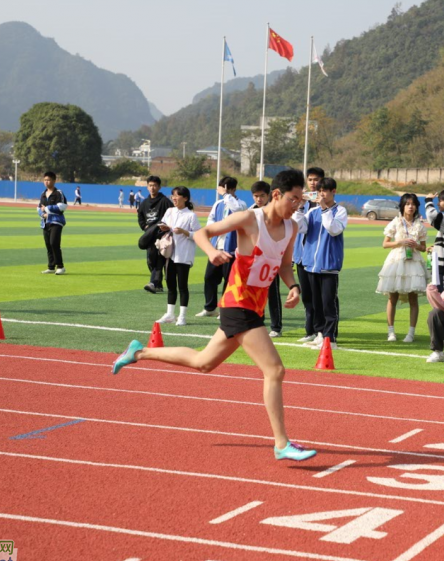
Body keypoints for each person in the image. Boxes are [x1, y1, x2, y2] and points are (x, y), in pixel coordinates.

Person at [112, 169, 316, 462]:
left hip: (254, 306)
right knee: (275, 370)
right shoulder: (250, 218)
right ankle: (281, 443)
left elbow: (285, 265)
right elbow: (201, 233)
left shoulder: (291, 227)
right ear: (276, 195)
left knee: (204, 362)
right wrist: (210, 252)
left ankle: (139, 353)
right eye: (294, 199)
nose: (297, 205)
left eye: (300, 200)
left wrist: (293, 286)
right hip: (237, 303)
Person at [298, 177, 348, 349]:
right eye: (319, 192)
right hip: (311, 263)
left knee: (328, 303)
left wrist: (325, 209)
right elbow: (300, 228)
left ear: (333, 191)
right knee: (316, 303)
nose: (321, 195)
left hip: (328, 264)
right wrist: (298, 208)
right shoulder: (312, 212)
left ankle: (330, 338)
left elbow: (334, 230)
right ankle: (320, 334)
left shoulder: (340, 211)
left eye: (325, 191)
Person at [377, 193, 428, 342]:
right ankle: (390, 332)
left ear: (416, 207)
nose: (410, 207)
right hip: (397, 260)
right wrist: (400, 242)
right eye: (407, 204)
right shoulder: (396, 222)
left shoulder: (420, 225)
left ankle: (411, 333)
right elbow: (385, 244)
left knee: (413, 298)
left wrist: (415, 245)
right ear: (403, 206)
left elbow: (424, 248)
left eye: (413, 204)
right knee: (392, 297)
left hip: (413, 261)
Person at [197, 176, 247, 318]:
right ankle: (209, 307)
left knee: (229, 280)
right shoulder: (218, 204)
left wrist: (226, 195)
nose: (221, 192)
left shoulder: (241, 204)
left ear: (232, 189)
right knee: (210, 277)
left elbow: (236, 210)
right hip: (217, 247)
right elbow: (211, 220)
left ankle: (225, 308)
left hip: (231, 248)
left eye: (225, 189)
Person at [156, 187, 201, 326]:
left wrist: (184, 232)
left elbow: (198, 235)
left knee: (182, 286)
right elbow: (163, 225)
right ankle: (170, 314)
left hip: (183, 254)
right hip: (169, 254)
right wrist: (163, 227)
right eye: (173, 196)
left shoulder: (191, 215)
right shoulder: (169, 211)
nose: (174, 198)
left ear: (185, 198)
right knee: (170, 285)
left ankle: (182, 316)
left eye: (177, 196)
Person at [292, 167, 325, 343]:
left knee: (319, 295)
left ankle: (321, 330)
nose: (313, 183)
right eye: (310, 179)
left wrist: (321, 202)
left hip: (317, 256)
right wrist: (299, 203)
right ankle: (310, 330)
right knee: (306, 295)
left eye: (316, 180)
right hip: (301, 254)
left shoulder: (325, 202)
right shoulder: (300, 199)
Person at [251, 180, 284, 338]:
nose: (259, 199)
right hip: (255, 259)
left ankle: (276, 327)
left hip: (271, 258)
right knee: (257, 293)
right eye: (256, 196)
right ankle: (259, 324)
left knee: (273, 293)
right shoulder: (250, 212)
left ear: (268, 195)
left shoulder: (274, 212)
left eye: (262, 196)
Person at [137, 176, 173, 294]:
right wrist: (145, 227)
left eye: (155, 186)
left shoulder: (165, 201)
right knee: (151, 261)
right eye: (150, 185)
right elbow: (140, 217)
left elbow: (173, 215)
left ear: (159, 187)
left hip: (162, 236)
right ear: (147, 187)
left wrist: (165, 228)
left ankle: (153, 283)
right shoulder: (144, 203)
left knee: (158, 260)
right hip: (149, 236)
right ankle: (158, 284)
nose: (153, 188)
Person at [38, 171, 67, 275]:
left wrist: (47, 209)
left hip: (56, 222)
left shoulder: (58, 193)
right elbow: (38, 208)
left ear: (54, 180)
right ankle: (51, 266)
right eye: (45, 180)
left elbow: (62, 207)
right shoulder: (43, 194)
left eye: (49, 180)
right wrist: (42, 214)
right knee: (48, 245)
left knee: (54, 243)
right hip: (45, 222)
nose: (47, 182)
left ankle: (60, 266)